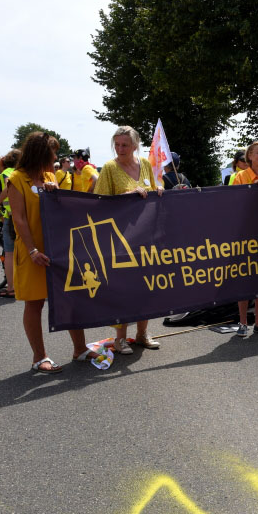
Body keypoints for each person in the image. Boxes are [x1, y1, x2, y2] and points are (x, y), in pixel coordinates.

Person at [6, 132, 88, 373]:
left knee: (71, 298)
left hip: (57, 249)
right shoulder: (16, 179)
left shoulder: (51, 176)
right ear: (40, 154)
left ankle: (80, 349)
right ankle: (39, 357)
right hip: (31, 251)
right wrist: (32, 250)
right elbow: (19, 219)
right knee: (34, 304)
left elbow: (61, 211)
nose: (55, 158)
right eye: (53, 153)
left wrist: (56, 194)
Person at [93, 125, 162, 353]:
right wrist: (127, 195)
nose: (120, 149)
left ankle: (142, 334)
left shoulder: (145, 164)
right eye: (117, 145)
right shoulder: (110, 168)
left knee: (146, 286)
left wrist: (159, 190)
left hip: (146, 236)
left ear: (135, 146)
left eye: (125, 145)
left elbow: (151, 190)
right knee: (122, 289)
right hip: (120, 239)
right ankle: (120, 338)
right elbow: (99, 202)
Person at [228, 141, 258, 337]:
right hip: (244, 236)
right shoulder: (240, 177)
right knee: (245, 280)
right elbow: (232, 205)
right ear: (250, 156)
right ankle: (242, 322)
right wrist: (251, 190)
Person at [0, 149, 22, 298]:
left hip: (11, 216)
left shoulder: (6, 173)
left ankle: (11, 288)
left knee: (9, 253)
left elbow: (7, 190)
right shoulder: (24, 172)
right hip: (25, 216)